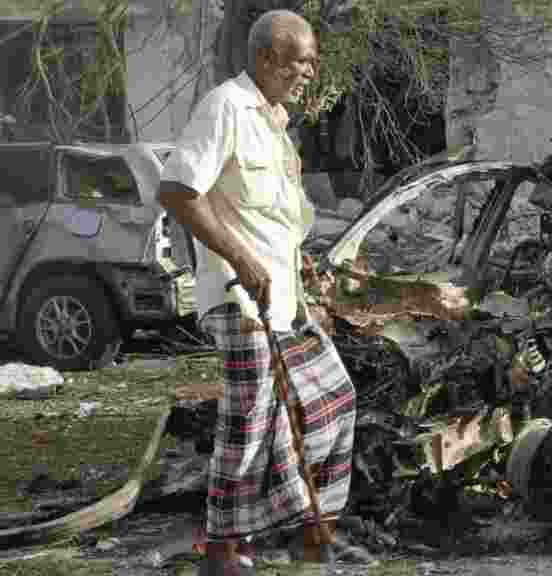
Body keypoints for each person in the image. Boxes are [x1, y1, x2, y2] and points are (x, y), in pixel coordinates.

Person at [158, 9, 361, 575]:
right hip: (236, 295)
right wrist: (242, 259)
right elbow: (178, 190)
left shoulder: (275, 123)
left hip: (282, 297)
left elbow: (276, 220)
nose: (310, 73)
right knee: (248, 420)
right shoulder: (225, 106)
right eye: (302, 61)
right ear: (268, 58)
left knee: (334, 396)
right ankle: (223, 552)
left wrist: (305, 267)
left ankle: (304, 528)